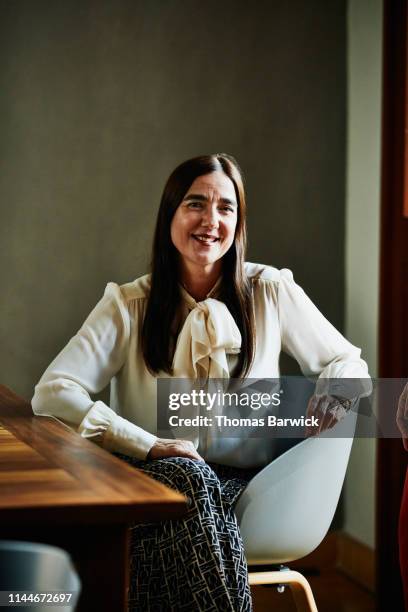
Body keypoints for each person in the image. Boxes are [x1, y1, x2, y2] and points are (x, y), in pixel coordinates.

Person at [32, 153, 369, 611]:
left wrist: (335, 393)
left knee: (175, 511)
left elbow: (347, 361)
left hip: (243, 481)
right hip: (145, 473)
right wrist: (148, 443)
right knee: (186, 478)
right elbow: (53, 391)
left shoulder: (270, 291)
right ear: (169, 214)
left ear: (239, 222)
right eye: (195, 204)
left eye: (226, 208)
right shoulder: (130, 304)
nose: (211, 220)